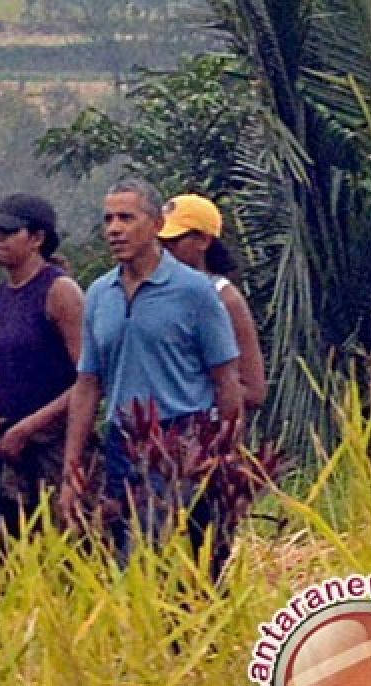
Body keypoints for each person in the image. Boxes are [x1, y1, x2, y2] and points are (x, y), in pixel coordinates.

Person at [59, 178, 243, 574]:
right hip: (122, 441)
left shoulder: (195, 292)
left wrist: (226, 459)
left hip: (183, 439)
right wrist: (72, 470)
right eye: (108, 219)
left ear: (157, 224)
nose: (114, 228)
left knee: (169, 563)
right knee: (122, 555)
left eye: (127, 217)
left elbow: (227, 381)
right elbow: (88, 385)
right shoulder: (98, 294)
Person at [0, 192, 85, 567]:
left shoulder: (59, 292)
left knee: (55, 548)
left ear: (36, 239)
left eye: (9, 232)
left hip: (49, 444)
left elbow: (88, 380)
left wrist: (29, 428)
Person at [160, 193, 266, 410]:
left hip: (204, 430)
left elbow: (254, 391)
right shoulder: (149, 296)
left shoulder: (225, 298)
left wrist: (188, 391)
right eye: (160, 242)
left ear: (203, 240)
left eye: (174, 241)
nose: (165, 250)